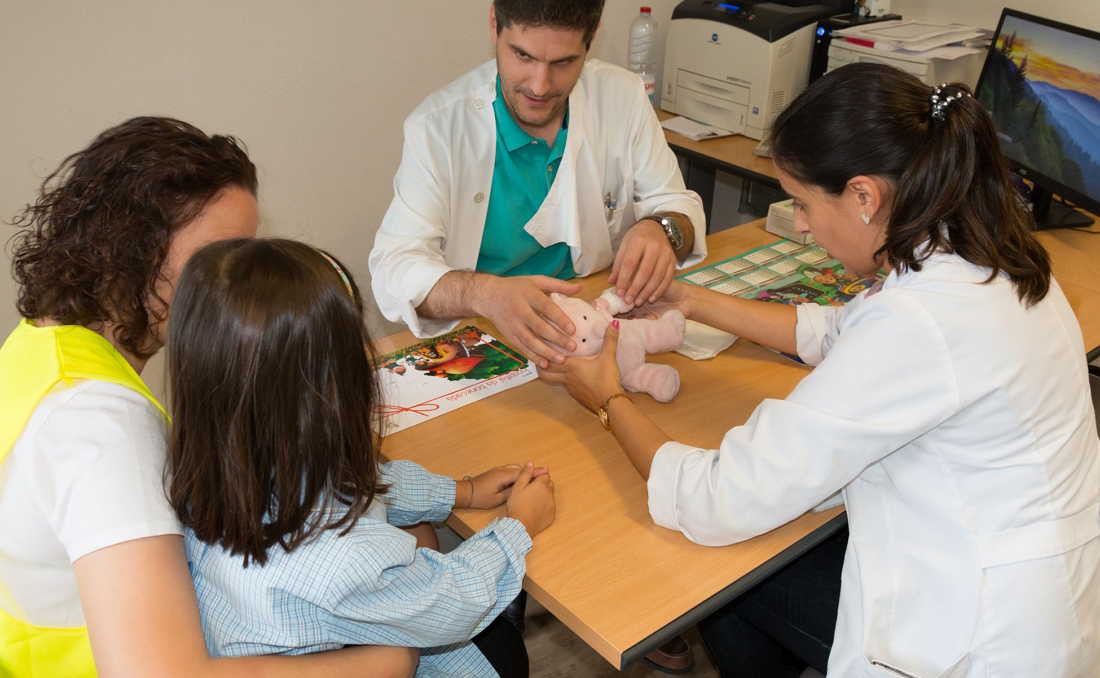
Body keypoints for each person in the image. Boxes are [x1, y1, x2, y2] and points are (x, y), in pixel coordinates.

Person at [545, 62, 1100, 676]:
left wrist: (606, 398)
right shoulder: (985, 252)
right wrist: (691, 299)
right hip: (1043, 588)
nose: (801, 225)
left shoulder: (917, 323)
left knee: (725, 586)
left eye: (803, 203)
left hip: (978, 638)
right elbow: (839, 332)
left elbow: (718, 499)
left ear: (864, 195)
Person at [0, 117, 415, 677]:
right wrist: (391, 658)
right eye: (220, 258)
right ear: (131, 252)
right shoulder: (100, 426)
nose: (242, 281)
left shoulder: (41, 345)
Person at [165, 237, 557, 678]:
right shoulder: (339, 561)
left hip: (331, 642)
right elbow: (453, 604)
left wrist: (458, 491)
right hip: (374, 645)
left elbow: (347, 484)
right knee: (498, 654)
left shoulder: (208, 469)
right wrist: (518, 526)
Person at [369, 0, 707, 372]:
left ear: (591, 41)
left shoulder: (621, 96)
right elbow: (393, 269)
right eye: (522, 56)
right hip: (490, 333)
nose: (540, 85)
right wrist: (484, 293)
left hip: (594, 328)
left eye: (563, 63)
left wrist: (661, 230)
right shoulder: (437, 128)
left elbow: (676, 204)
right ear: (495, 25)